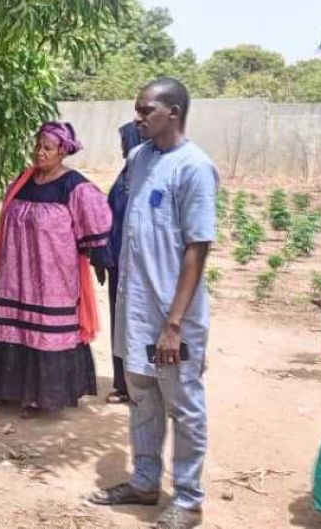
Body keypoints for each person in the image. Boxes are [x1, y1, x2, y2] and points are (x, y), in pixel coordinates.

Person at [90, 78, 217, 529]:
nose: (138, 118)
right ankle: (145, 481)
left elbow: (197, 248)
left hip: (171, 316)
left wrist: (175, 323)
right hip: (135, 309)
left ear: (174, 113)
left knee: (183, 405)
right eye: (138, 110)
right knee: (141, 397)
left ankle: (188, 499)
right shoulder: (138, 160)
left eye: (146, 111)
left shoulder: (195, 168)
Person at [0, 121, 112, 418]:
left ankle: (40, 396)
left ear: (63, 152)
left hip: (52, 276)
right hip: (16, 274)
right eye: (37, 146)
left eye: (47, 148)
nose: (40, 153)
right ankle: (6, 390)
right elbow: (7, 218)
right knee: (11, 325)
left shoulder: (74, 186)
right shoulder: (23, 180)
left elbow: (96, 222)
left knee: (44, 330)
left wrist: (101, 256)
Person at [101, 119, 146, 404]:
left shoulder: (149, 177)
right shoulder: (125, 176)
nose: (121, 150)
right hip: (119, 263)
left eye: (123, 143)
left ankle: (150, 388)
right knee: (121, 322)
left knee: (145, 324)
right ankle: (124, 384)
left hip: (142, 267)